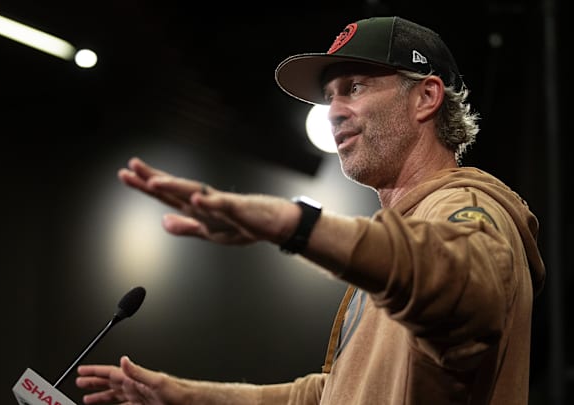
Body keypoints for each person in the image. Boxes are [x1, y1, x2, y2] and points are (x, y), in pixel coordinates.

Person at [75, 15, 546, 405]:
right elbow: (330, 395)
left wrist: (292, 223)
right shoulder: (395, 242)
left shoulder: (467, 206)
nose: (334, 111)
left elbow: (464, 288)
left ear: (426, 97)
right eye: (330, 96)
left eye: (355, 87)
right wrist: (182, 396)